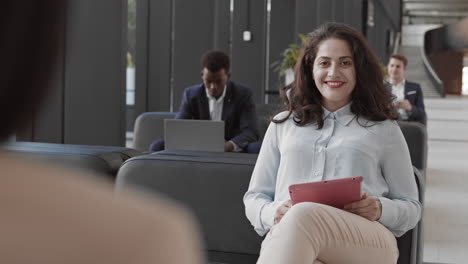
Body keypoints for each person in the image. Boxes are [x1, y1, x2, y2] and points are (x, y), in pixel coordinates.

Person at [0, 1, 203, 263]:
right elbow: (184, 121)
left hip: (232, 144)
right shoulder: (142, 237)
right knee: (158, 144)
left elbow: (245, 132)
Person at [244, 22, 421, 264]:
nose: (334, 72)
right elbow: (254, 198)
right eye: (324, 63)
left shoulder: (384, 129)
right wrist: (273, 212)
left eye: (345, 63)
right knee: (301, 230)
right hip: (295, 238)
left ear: (359, 69)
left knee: (303, 215)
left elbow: (411, 208)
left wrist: (380, 208)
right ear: (311, 68)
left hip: (366, 241)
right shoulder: (282, 125)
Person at [149, 50, 260, 153]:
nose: (213, 87)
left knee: (255, 148)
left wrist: (229, 145)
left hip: (230, 146)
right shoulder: (191, 94)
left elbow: (251, 132)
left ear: (228, 76)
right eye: (209, 81)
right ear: (202, 75)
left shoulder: (243, 94)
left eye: (218, 82)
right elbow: (179, 127)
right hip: (197, 146)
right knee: (157, 146)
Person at [386, 54, 427, 125]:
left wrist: (410, 107)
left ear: (404, 68)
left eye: (398, 66)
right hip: (387, 123)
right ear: (388, 67)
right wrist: (387, 108)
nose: (394, 69)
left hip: (408, 125)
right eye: (392, 65)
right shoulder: (381, 87)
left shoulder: (415, 87)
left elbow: (422, 114)